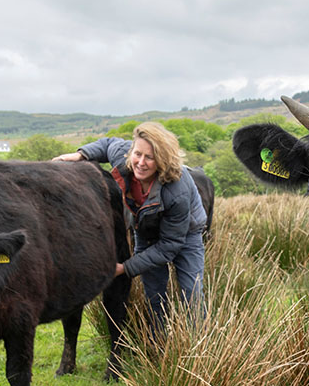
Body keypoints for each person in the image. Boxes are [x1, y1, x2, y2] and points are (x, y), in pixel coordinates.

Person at [53, 122, 207, 337]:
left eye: (150, 158)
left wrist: (125, 268)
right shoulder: (126, 158)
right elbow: (108, 144)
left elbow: (169, 246)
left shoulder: (176, 190)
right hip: (146, 230)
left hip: (186, 234)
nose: (140, 163)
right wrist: (80, 154)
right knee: (154, 294)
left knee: (192, 293)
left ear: (162, 160)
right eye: (137, 154)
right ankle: (158, 344)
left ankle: (198, 343)